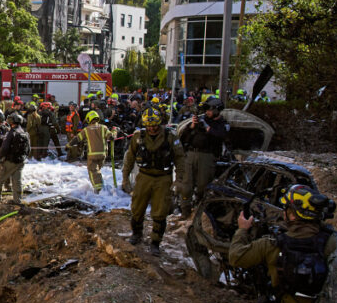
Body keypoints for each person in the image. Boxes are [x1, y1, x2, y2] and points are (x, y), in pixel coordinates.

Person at [122, 108, 185, 256]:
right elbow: (130, 157)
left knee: (160, 211)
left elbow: (180, 159)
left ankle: (156, 242)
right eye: (149, 126)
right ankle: (136, 234)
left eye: (155, 125)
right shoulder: (138, 136)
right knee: (137, 208)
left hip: (163, 178)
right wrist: (125, 177)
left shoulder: (170, 137)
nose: (152, 128)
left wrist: (179, 180)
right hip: (144, 176)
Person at [178, 97, 230, 216]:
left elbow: (221, 135)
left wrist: (207, 128)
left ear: (217, 110)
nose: (207, 112)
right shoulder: (201, 120)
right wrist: (192, 126)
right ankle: (185, 211)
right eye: (206, 110)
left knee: (203, 186)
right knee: (186, 186)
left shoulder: (222, 123)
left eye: (210, 110)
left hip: (207, 156)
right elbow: (183, 137)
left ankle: (200, 210)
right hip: (191, 154)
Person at [70, 110, 116, 193]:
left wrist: (69, 145)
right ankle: (100, 185)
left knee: (92, 170)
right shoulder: (103, 127)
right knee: (97, 170)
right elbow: (111, 136)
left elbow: (77, 138)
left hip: (92, 155)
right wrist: (114, 131)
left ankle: (99, 190)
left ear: (89, 119)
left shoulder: (86, 129)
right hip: (103, 154)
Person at [0, 112, 29, 203]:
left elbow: (5, 148)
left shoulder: (11, 133)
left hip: (10, 161)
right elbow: (29, 149)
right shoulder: (24, 132)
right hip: (20, 161)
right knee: (17, 181)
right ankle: (17, 200)